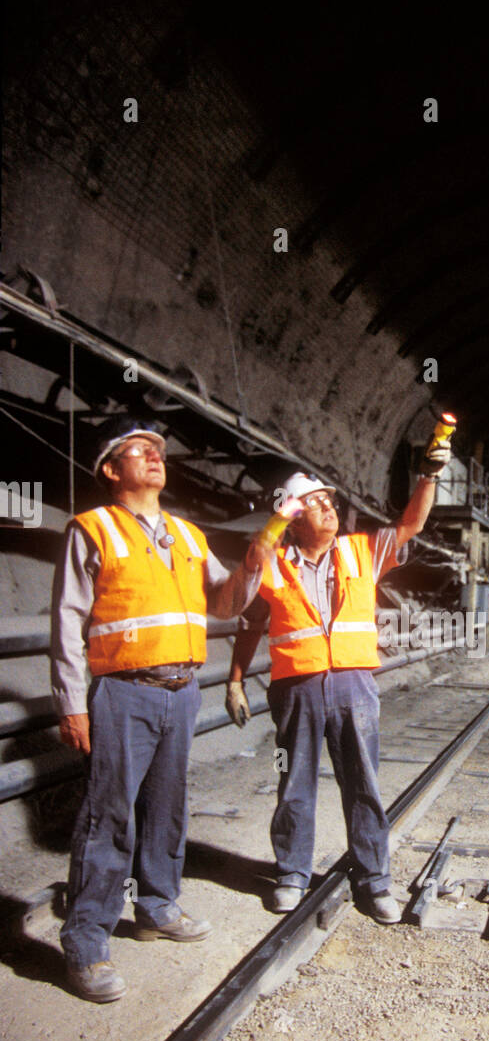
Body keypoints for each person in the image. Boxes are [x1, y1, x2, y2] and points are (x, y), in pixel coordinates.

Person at [52, 418, 267, 1002]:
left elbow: (225, 601)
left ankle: (156, 906)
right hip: (124, 690)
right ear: (111, 469)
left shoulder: (189, 535)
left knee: (168, 807)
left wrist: (252, 564)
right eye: (138, 450)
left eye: (158, 449)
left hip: (182, 688)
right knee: (109, 814)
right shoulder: (92, 529)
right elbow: (68, 623)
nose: (154, 456)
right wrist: (72, 704)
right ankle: (87, 941)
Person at [225, 419, 454, 922]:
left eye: (329, 501)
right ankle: (290, 874)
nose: (329, 507)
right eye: (315, 502)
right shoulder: (273, 563)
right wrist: (236, 680)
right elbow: (248, 623)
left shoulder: (360, 551)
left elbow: (410, 524)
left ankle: (374, 882)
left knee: (364, 784)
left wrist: (428, 474)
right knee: (294, 782)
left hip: (354, 685)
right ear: (292, 516)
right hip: (297, 688)